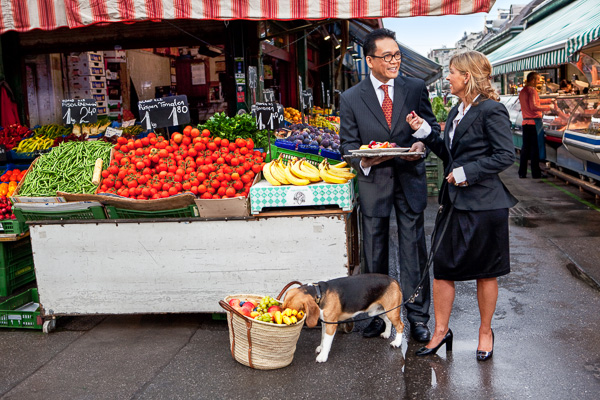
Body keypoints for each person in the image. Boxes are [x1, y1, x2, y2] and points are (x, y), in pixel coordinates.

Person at [405, 50, 518, 361]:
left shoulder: (491, 110)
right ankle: (441, 332)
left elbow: (505, 155)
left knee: (485, 272)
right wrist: (424, 131)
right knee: (442, 269)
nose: (448, 77)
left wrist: (468, 173)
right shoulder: (457, 111)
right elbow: (449, 155)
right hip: (454, 203)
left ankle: (485, 332)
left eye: (452, 72)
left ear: (467, 76)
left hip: (485, 205)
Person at [339, 28, 440, 343]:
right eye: (387, 56)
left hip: (409, 179)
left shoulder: (414, 87)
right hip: (374, 183)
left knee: (413, 251)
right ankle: (376, 316)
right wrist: (365, 161)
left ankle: (418, 317)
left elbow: (430, 128)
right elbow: (348, 145)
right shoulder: (351, 98)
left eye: (397, 54)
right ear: (370, 60)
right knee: (375, 252)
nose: (394, 60)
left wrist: (420, 146)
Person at [518, 72, 555, 178]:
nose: (539, 82)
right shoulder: (532, 90)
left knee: (525, 148)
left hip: (525, 122)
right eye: (538, 80)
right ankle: (536, 173)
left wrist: (548, 100)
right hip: (534, 122)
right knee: (535, 149)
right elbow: (534, 106)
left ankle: (522, 172)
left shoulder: (523, 91)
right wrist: (549, 107)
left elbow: (536, 102)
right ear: (533, 80)